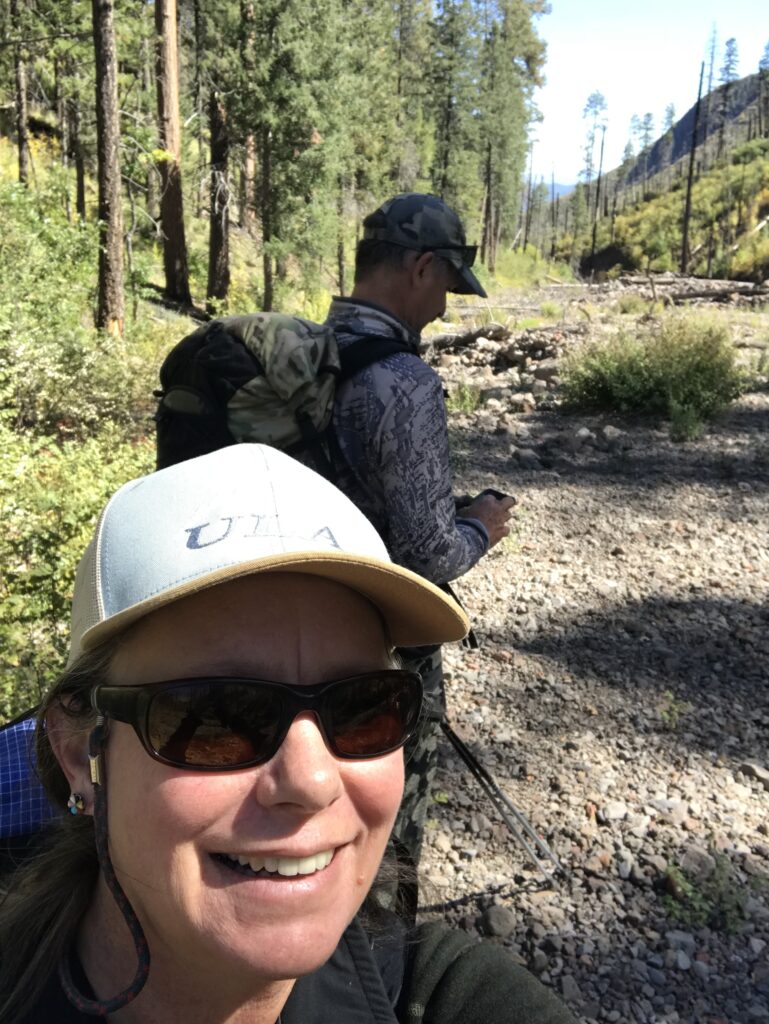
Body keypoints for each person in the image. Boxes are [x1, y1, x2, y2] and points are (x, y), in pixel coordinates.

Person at [0, 445, 574, 1024]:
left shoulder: (446, 996)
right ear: (78, 752)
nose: (313, 779)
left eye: (363, 706)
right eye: (219, 715)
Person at [320, 192, 517, 861]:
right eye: (447, 288)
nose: (443, 308)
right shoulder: (402, 382)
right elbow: (430, 554)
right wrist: (481, 526)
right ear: (422, 268)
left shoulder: (308, 354)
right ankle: (384, 940)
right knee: (387, 822)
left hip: (295, 617)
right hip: (382, 644)